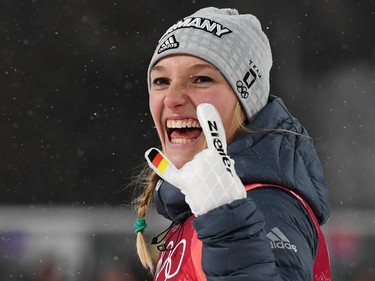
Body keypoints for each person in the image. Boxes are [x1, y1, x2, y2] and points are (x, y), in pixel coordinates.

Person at [133, 7, 331, 281]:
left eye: (201, 79)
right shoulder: (204, 210)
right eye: (161, 81)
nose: (172, 98)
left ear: (244, 99)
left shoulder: (265, 206)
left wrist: (229, 227)